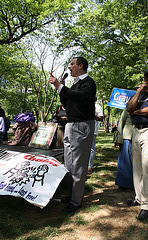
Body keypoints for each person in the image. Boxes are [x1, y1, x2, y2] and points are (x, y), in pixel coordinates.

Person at [49, 57, 96, 213]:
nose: (69, 67)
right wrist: (60, 88)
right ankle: (70, 195)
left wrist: (61, 87)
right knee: (68, 164)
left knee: (77, 165)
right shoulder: (75, 85)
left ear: (80, 66)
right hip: (70, 125)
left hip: (81, 126)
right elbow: (67, 102)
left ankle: (76, 202)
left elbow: (82, 99)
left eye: (72, 64)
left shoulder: (88, 83)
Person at [126, 68, 148, 220]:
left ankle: (147, 205)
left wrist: (136, 112)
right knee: (137, 167)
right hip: (136, 131)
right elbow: (128, 108)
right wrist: (139, 91)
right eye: (146, 76)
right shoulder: (138, 93)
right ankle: (139, 198)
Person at [115, 108, 134, 189]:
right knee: (124, 161)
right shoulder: (127, 109)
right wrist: (119, 138)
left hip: (137, 137)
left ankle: (133, 183)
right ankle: (123, 184)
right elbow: (120, 123)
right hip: (126, 138)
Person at [88, 98, 103, 174]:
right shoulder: (84, 105)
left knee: (91, 149)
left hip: (92, 131)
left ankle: (89, 166)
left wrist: (92, 115)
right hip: (83, 131)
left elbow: (101, 118)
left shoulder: (97, 106)